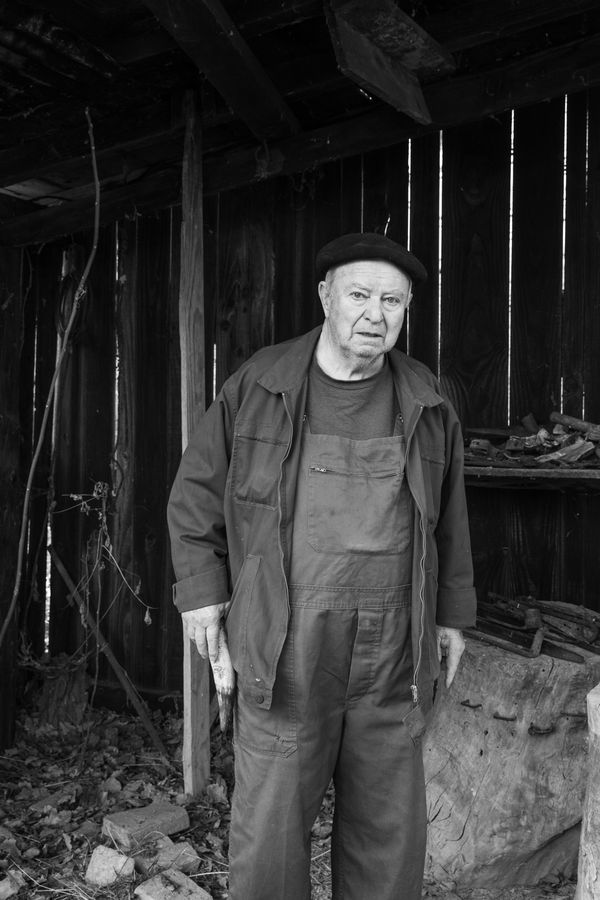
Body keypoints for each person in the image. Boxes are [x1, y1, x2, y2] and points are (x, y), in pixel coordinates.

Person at [167, 232, 476, 900]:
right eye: (360, 294)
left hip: (391, 646)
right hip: (286, 641)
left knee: (387, 826)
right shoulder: (260, 385)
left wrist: (452, 617)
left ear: (406, 310)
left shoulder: (425, 401)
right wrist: (200, 596)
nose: (376, 313)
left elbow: (450, 520)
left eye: (393, 300)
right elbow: (194, 497)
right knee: (272, 822)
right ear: (325, 296)